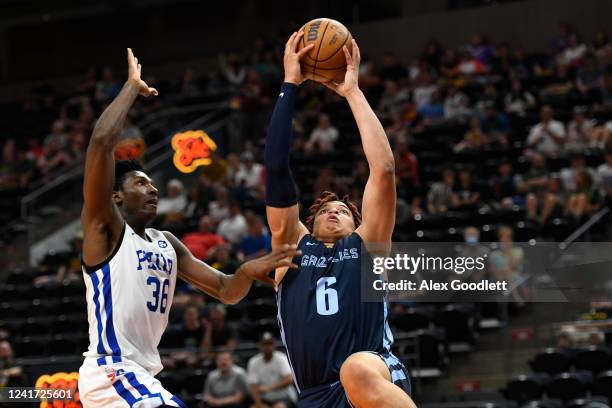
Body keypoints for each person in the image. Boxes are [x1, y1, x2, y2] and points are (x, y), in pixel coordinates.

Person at [77, 49, 300, 408]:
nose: (152, 189)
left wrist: (247, 269)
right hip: (111, 372)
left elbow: (227, 290)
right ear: (115, 196)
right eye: (140, 184)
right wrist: (132, 88)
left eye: (153, 183)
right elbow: (102, 142)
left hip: (141, 376)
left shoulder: (168, 244)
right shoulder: (105, 229)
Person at [264, 31, 415, 408]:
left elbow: (383, 169)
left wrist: (352, 93)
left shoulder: (367, 245)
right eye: (327, 209)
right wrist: (289, 85)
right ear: (309, 222)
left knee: (356, 370)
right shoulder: (291, 247)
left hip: (375, 370)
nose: (335, 211)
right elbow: (276, 169)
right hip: (316, 397)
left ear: (357, 223)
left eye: (345, 211)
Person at [247, 333, 297, 408]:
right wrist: (260, 405)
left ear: (274, 345)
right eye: (264, 344)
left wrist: (269, 388)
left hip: (284, 398)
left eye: (269, 344)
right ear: (259, 345)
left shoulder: (281, 358)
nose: (267, 347)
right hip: (265, 399)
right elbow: (253, 387)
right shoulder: (253, 361)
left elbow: (289, 379)